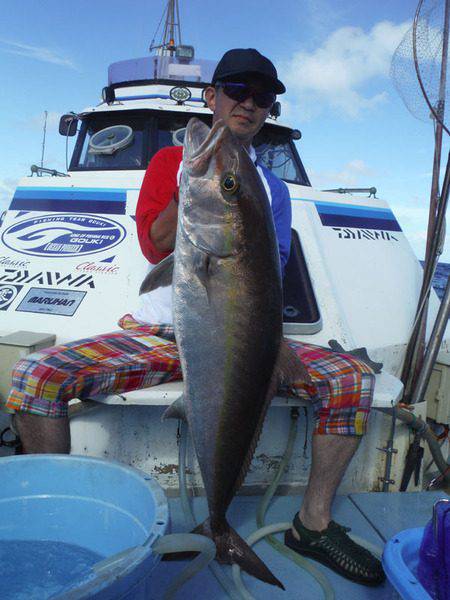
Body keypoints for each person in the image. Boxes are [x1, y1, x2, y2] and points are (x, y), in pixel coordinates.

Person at [7, 48, 384, 587]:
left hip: (238, 337)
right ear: (213, 97)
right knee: (35, 375)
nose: (249, 105)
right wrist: (200, 185)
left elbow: (268, 272)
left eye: (262, 98)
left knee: (351, 378)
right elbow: (153, 244)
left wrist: (274, 344)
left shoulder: (273, 191)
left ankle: (312, 522)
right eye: (237, 91)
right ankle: (63, 512)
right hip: (164, 332)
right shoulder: (172, 164)